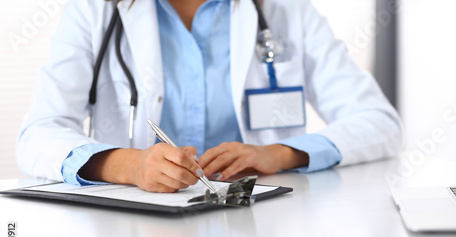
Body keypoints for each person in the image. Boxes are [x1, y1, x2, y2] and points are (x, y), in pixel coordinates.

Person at [16, 0, 402, 193]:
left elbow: (380, 123)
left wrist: (278, 154)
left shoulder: (285, 8)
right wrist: (128, 166)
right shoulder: (95, 10)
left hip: (261, 227)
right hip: (135, 234)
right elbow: (38, 134)